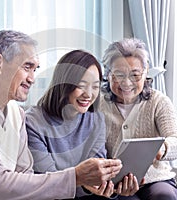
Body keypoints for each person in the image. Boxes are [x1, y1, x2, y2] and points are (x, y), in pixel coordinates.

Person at [0, 30, 123, 200]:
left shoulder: (16, 114)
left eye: (35, 69)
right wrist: (75, 177)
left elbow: (26, 179)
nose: (32, 79)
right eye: (27, 67)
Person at [26, 49, 139, 200]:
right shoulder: (33, 123)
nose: (89, 94)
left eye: (95, 86)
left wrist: (111, 186)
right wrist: (85, 183)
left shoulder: (96, 120)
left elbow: (98, 173)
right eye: (81, 85)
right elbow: (49, 183)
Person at [100, 38, 177, 200]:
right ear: (108, 75)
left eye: (135, 75)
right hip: (115, 181)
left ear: (146, 74)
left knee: (164, 196)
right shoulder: (98, 104)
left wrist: (161, 149)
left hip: (155, 179)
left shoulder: (159, 101)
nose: (126, 82)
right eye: (119, 75)